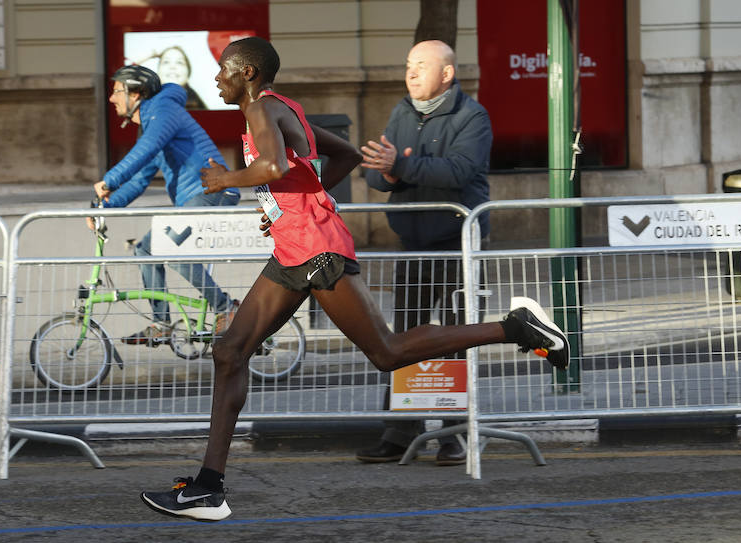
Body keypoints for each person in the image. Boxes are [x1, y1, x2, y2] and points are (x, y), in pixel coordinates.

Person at [139, 36, 568, 522]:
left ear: (249, 75)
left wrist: (223, 182)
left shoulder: (261, 109)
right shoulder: (283, 109)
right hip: (295, 247)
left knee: (386, 352)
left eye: (223, 70)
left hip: (316, 252)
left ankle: (515, 328)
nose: (216, 78)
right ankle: (208, 488)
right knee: (229, 350)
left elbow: (275, 165)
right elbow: (341, 157)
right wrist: (294, 205)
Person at [357, 39, 493, 467]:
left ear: (447, 74)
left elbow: (458, 171)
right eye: (408, 65)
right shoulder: (402, 112)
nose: (410, 73)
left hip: (456, 246)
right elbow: (377, 174)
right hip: (413, 245)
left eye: (421, 65)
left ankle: (454, 436)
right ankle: (400, 433)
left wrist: (400, 166)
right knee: (405, 339)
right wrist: (388, 171)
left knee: (456, 340)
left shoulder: (472, 116)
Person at [96, 65, 241, 344]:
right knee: (145, 250)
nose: (111, 99)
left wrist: (108, 180)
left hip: (214, 190)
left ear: (136, 93)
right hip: (195, 197)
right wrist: (104, 207)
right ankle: (161, 323)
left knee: (174, 252)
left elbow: (145, 150)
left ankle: (227, 308)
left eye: (116, 92)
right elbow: (139, 181)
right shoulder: (153, 125)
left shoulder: (163, 110)